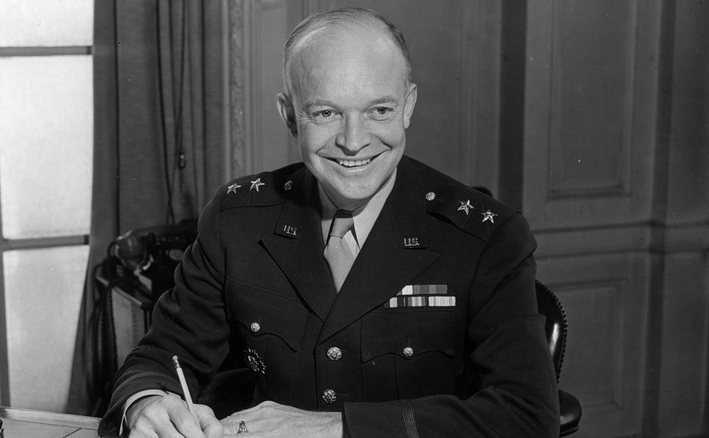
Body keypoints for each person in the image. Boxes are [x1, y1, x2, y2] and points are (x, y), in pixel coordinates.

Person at [99, 7, 559, 437]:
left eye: (379, 110)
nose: (354, 141)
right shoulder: (238, 219)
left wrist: (332, 429)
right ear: (289, 117)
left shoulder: (484, 235)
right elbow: (160, 357)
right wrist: (145, 402)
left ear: (408, 106)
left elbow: (527, 415)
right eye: (326, 113)